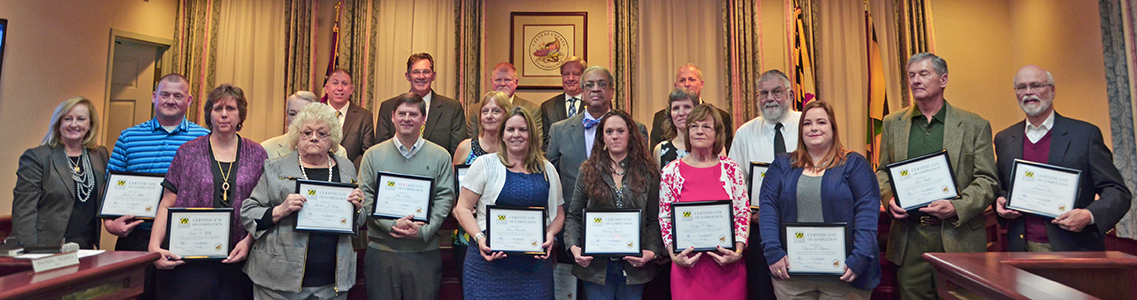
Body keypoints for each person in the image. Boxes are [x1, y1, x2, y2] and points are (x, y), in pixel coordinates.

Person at [876, 53, 998, 300]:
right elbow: (882, 172)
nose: (915, 80)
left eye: (923, 74)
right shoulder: (893, 123)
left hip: (958, 237)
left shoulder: (974, 124)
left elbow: (988, 180)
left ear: (943, 80)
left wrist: (956, 206)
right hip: (909, 240)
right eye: (911, 75)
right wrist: (889, 199)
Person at [994, 65, 1131, 252]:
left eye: (1036, 85)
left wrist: (1089, 215)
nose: (1028, 92)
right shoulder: (1004, 139)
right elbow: (1002, 188)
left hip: (1074, 248)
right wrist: (1000, 201)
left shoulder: (1085, 135)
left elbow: (1117, 192)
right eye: (1021, 87)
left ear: (1052, 91)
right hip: (1020, 249)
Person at [148, 84, 267, 300]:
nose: (223, 114)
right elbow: (167, 203)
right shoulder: (188, 152)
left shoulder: (257, 154)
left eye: (230, 108)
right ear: (208, 114)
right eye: (217, 108)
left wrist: (248, 241)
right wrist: (154, 247)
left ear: (240, 115)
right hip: (191, 260)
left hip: (239, 257)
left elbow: (263, 207)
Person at [241, 103, 366, 299]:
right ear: (296, 136)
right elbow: (248, 212)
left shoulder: (346, 168)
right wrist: (281, 210)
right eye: (306, 133)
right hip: (279, 283)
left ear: (332, 137)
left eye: (322, 133)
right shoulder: (276, 168)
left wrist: (357, 207)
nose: (314, 137)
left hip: (332, 283)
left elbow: (358, 219)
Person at [759, 100, 881, 299]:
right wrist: (773, 252)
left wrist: (859, 258)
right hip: (792, 278)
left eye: (821, 122)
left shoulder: (854, 164)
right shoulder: (782, 165)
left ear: (833, 128)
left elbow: (867, 211)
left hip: (845, 276)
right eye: (807, 123)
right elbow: (768, 208)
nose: (814, 128)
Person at [105, 73, 210, 300]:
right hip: (136, 237)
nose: (170, 100)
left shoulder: (204, 138)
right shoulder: (129, 137)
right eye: (164, 94)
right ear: (154, 97)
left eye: (178, 95)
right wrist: (110, 224)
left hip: (184, 238)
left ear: (189, 100)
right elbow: (110, 185)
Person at [451, 107, 565, 299]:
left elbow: (559, 214)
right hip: (487, 263)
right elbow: (462, 208)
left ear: (532, 134)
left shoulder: (547, 168)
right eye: (510, 129)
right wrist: (480, 239)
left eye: (523, 129)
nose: (516, 135)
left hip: (534, 268)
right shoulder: (484, 164)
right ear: (502, 135)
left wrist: (550, 234)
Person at [359, 93, 457, 300]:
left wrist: (423, 232)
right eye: (402, 113)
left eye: (413, 114)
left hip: (424, 252)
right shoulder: (373, 155)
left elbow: (445, 197)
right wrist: (392, 224)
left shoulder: (441, 156)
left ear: (423, 119)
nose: (407, 118)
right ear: (393, 117)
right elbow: (365, 196)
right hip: (382, 252)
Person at [547, 66, 648, 261]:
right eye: (589, 85)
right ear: (582, 92)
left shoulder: (637, 129)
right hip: (571, 229)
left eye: (602, 84)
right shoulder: (559, 131)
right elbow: (550, 180)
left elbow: (643, 178)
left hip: (622, 233)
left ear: (611, 91)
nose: (595, 89)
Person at [565, 110, 663, 299]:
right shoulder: (588, 170)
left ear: (630, 135)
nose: (615, 136)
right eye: (609, 132)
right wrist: (574, 248)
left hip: (635, 268)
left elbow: (653, 218)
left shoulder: (648, 172)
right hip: (595, 268)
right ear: (602, 137)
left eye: (620, 131)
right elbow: (574, 215)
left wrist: (651, 252)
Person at [658, 104, 749, 299]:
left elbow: (742, 212)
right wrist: (674, 255)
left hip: (727, 267)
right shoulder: (670, 172)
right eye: (694, 126)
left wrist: (738, 251)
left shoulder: (731, 169)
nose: (699, 131)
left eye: (706, 127)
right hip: (687, 268)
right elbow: (665, 218)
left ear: (717, 134)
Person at [727, 69, 800, 300]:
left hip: (801, 227)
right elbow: (732, 184)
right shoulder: (745, 133)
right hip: (759, 231)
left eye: (777, 92)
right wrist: (747, 212)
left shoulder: (807, 124)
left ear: (790, 94)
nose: (770, 98)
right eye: (763, 93)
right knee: (762, 293)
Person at [12, 97, 109, 249]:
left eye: (81, 119)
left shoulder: (99, 154)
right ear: (58, 124)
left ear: (90, 125)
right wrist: (31, 252)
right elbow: (23, 211)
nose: (74, 124)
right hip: (47, 246)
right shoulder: (37, 157)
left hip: (87, 245)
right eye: (68, 119)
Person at [450, 90, 514, 291]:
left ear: (507, 115)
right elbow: (452, 193)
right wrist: (460, 212)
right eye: (485, 110)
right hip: (466, 235)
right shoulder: (465, 148)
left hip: (507, 234)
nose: (489, 115)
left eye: (496, 110)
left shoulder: (515, 151)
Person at [377, 53, 468, 154]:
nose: (421, 76)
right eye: (416, 72)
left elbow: (459, 153)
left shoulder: (452, 108)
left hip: (436, 168)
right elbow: (382, 150)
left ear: (433, 76)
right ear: (408, 76)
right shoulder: (388, 107)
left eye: (426, 72)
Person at [648, 63, 734, 152]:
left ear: (701, 84)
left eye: (692, 80)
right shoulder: (660, 118)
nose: (687, 84)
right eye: (682, 80)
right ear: (675, 86)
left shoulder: (721, 117)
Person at [262, 91, 347, 160]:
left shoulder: (338, 152)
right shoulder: (267, 149)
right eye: (292, 114)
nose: (297, 120)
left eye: (304, 115)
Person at [467, 62, 541, 137]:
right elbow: (473, 142)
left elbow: (536, 143)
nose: (502, 84)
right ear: (491, 82)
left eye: (507, 80)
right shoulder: (475, 110)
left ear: (516, 82)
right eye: (498, 80)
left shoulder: (532, 110)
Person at [322, 69, 375, 169]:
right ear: (327, 88)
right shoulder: (314, 114)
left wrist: (347, 171)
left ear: (351, 90)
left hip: (351, 177)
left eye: (344, 84)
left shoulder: (364, 117)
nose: (340, 88)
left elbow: (367, 153)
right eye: (335, 83)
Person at [653, 88, 718, 169]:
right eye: (676, 108)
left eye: (687, 107)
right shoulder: (660, 150)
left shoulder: (714, 148)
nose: (681, 113)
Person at [540, 56, 586, 149]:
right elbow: (546, 144)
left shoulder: (594, 105)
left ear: (584, 77)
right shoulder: (548, 107)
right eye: (566, 74)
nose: (571, 78)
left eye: (576, 74)